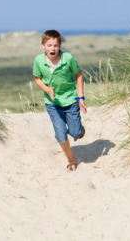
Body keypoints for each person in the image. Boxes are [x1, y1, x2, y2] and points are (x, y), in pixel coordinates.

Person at [33, 30, 87, 172]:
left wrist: (81, 97)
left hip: (70, 100)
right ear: (43, 46)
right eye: (49, 45)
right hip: (52, 103)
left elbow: (79, 75)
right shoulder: (39, 60)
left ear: (60, 46)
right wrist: (47, 89)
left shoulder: (68, 58)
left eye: (55, 45)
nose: (53, 48)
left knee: (75, 133)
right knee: (61, 134)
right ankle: (71, 160)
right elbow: (37, 78)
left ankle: (79, 130)